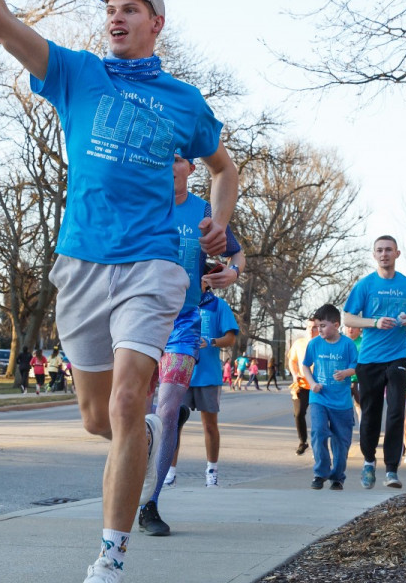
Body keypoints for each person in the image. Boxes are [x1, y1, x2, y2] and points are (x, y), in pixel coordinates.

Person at [0, 0, 238, 583]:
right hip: (81, 262)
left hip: (154, 263)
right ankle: (150, 440)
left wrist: (218, 216)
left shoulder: (185, 102)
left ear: (156, 23)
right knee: (99, 419)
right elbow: (0, 22)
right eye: (111, 8)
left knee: (133, 399)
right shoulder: (77, 74)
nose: (116, 16)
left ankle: (111, 555)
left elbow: (226, 167)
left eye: (130, 8)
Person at [139, 154, 243, 537]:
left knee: (166, 410)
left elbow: (235, 253)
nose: (168, 166)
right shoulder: (142, 205)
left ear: (190, 169)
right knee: (136, 413)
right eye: (161, 159)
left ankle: (150, 504)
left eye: (177, 159)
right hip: (142, 321)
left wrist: (230, 271)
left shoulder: (204, 211)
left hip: (184, 323)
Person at [342, 235, 406, 491]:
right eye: (379, 250)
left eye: (388, 250)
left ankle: (391, 470)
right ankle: (368, 461)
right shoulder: (365, 285)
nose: (384, 254)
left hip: (397, 356)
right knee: (371, 415)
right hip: (369, 359)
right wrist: (374, 322)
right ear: (374, 255)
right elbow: (349, 319)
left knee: (397, 412)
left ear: (397, 253)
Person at [173, 294, 240, 489]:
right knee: (173, 425)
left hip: (208, 376)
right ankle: (169, 473)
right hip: (180, 372)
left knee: (210, 425)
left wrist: (211, 341)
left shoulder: (218, 305)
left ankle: (212, 472)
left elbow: (231, 338)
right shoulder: (179, 300)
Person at [300, 305, 357, 490]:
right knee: (318, 432)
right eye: (318, 326)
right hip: (320, 398)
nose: (319, 330)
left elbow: (358, 367)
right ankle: (320, 473)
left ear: (336, 324)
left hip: (342, 402)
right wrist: (311, 383)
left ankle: (337, 477)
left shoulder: (348, 344)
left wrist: (346, 372)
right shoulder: (315, 343)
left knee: (341, 441)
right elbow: (305, 366)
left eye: (323, 325)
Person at [287, 319, 320, 455]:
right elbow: (292, 360)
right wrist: (295, 374)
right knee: (299, 413)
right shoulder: (299, 343)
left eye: (314, 328)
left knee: (318, 416)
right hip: (301, 385)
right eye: (309, 327)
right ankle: (303, 442)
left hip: (318, 387)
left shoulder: (323, 343)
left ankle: (317, 445)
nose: (311, 331)